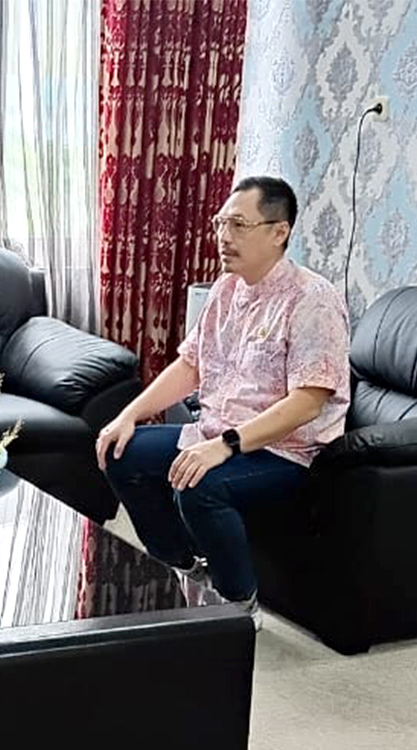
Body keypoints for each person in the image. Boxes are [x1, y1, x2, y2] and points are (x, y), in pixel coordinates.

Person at [94, 176, 350, 626]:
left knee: (201, 484)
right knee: (122, 452)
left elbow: (308, 403)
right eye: (220, 223)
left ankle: (238, 608)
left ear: (279, 232)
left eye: (238, 225)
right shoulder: (226, 289)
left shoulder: (313, 300)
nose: (223, 236)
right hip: (215, 431)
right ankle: (183, 567)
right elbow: (190, 365)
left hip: (286, 451)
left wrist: (226, 445)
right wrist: (128, 415)